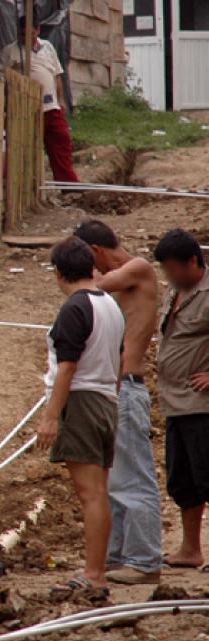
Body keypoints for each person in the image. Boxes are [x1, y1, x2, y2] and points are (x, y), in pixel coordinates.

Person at [74, 220, 162, 585]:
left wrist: (79, 274)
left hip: (127, 386)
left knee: (133, 477)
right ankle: (118, 554)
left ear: (94, 251)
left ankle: (144, 559)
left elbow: (92, 287)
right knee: (112, 479)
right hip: (112, 391)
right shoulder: (118, 283)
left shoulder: (137, 269)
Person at [36, 237, 126, 593]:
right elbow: (118, 361)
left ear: (59, 273)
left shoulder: (75, 308)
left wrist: (49, 417)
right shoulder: (111, 306)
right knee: (98, 490)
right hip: (106, 400)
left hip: (84, 402)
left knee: (90, 493)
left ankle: (94, 573)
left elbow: (67, 368)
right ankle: (97, 568)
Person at [153, 229, 209, 571]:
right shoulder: (176, 293)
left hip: (202, 403)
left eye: (174, 268)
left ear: (192, 261)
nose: (169, 276)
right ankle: (190, 549)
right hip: (175, 401)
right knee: (183, 480)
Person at [2, 14, 79, 184]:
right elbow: (3, 79)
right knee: (25, 146)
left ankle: (68, 183)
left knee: (61, 140)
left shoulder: (48, 47)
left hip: (50, 105)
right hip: (26, 108)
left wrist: (61, 101)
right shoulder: (11, 51)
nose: (26, 38)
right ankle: (20, 183)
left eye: (30, 34)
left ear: (37, 30)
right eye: (22, 34)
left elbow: (57, 75)